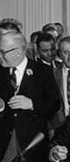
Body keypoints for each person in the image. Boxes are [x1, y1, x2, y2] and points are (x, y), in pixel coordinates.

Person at [0, 32, 60, 161]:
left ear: (18, 51)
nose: (0, 56)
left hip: (33, 143)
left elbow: (54, 104)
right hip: (4, 143)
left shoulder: (42, 71)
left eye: (2, 52)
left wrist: (32, 104)